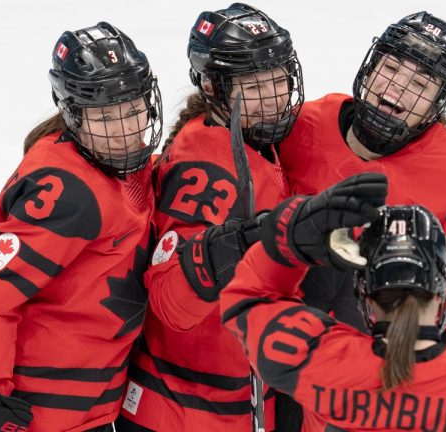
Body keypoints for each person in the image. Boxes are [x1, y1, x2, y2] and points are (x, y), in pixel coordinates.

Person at [0, 22, 162, 432]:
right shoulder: (71, 192)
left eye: (133, 110)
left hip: (90, 410)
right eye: (104, 116)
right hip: (32, 417)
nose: (124, 131)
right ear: (73, 115)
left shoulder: (128, 168)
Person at [219, 189, 446, 431]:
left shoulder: (318, 360)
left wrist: (292, 236)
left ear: (364, 288)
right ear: (444, 285)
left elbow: (247, 297)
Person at [115, 3, 303, 431]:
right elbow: (170, 304)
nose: (273, 97)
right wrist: (221, 254)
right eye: (254, 86)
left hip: (227, 405)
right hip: (184, 414)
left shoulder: (255, 143)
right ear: (216, 89)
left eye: (278, 79)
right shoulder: (207, 166)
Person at [278, 11, 446, 351]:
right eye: (390, 68)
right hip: (283, 360)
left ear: (437, 103)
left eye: (420, 84)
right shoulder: (301, 126)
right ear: (370, 68)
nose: (397, 87)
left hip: (391, 381)